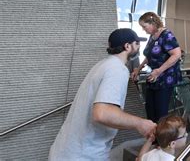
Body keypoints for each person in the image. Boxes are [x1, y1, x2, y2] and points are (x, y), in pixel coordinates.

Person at [49, 28, 156, 160]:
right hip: (82, 155)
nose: (139, 46)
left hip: (66, 151)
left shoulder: (102, 65)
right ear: (127, 46)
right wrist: (141, 124)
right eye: (137, 43)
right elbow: (102, 113)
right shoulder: (117, 69)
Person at [132, 12, 182, 122]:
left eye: (144, 26)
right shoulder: (153, 36)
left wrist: (159, 71)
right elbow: (149, 55)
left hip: (164, 79)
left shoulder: (167, 35)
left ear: (153, 23)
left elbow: (177, 54)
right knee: (150, 110)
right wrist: (138, 68)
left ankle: (162, 138)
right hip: (153, 78)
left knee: (160, 113)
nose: (143, 30)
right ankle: (154, 137)